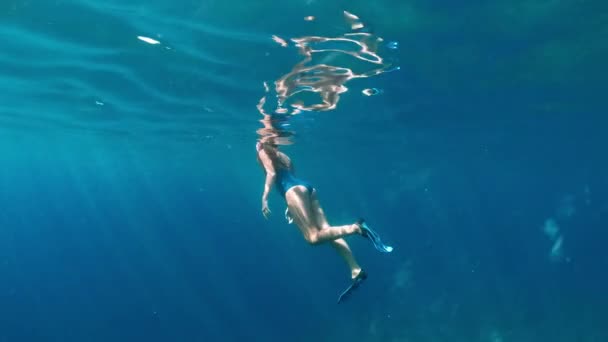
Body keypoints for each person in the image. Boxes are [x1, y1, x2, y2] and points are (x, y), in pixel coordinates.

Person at [256, 139, 392, 303]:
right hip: (306, 188)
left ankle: (356, 228)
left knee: (312, 238)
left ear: (265, 143)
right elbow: (291, 176)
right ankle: (355, 269)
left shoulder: (263, 151)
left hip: (293, 192)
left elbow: (272, 174)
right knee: (327, 230)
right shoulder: (284, 156)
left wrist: (264, 198)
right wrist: (292, 205)